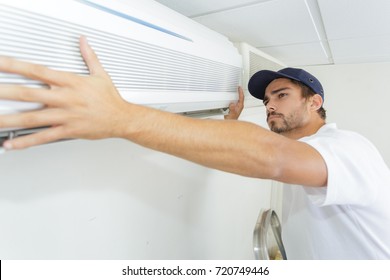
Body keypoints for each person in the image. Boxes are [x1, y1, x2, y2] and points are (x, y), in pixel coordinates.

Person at [0, 37, 389, 259]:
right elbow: (268, 150)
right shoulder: (305, 147)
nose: (269, 105)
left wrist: (121, 117)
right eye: (267, 98)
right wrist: (231, 126)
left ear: (315, 102)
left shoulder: (350, 147)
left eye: (282, 95)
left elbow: (273, 157)